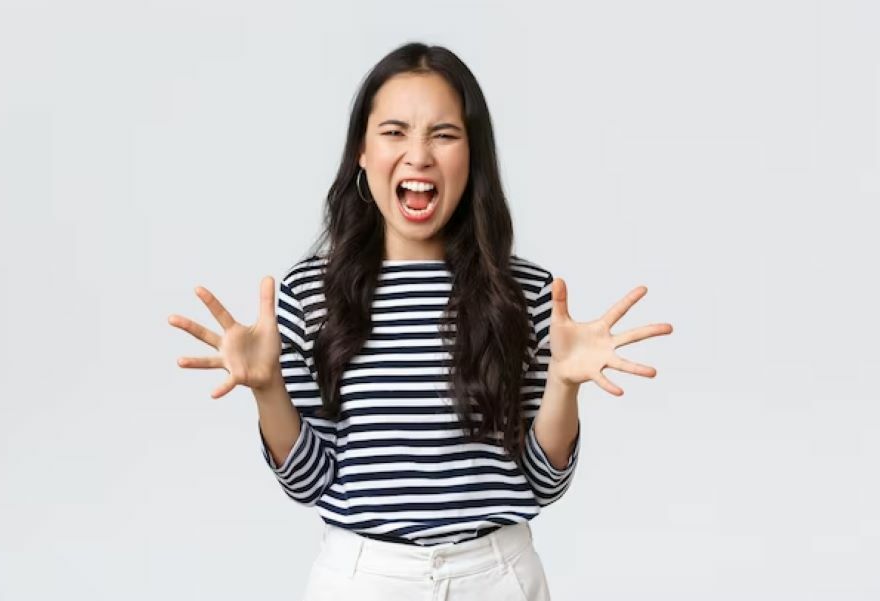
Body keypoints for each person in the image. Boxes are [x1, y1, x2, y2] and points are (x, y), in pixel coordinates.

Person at [167, 41, 673, 601]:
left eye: (444, 134)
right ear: (362, 152)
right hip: (362, 580)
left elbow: (543, 481)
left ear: (473, 155)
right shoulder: (310, 295)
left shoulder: (527, 294)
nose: (418, 155)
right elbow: (309, 482)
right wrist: (267, 389)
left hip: (497, 578)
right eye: (395, 132)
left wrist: (564, 383)